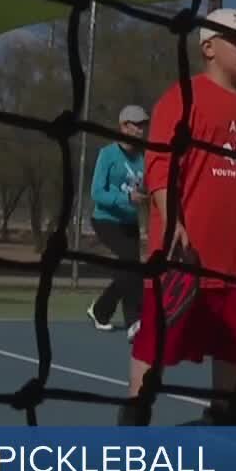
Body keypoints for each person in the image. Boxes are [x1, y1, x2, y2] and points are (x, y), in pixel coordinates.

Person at [120, 8, 236, 426]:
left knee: (233, 348)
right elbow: (160, 165)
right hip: (184, 258)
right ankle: (134, 420)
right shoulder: (181, 98)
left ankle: (222, 415)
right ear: (208, 47)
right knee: (156, 343)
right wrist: (172, 221)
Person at [86, 104, 149, 338]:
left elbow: (145, 188)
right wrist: (125, 197)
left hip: (129, 223)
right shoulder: (108, 154)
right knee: (131, 265)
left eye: (144, 124)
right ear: (123, 126)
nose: (141, 129)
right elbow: (97, 193)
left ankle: (103, 312)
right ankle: (134, 321)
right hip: (105, 220)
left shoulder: (143, 157)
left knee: (132, 271)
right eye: (136, 124)